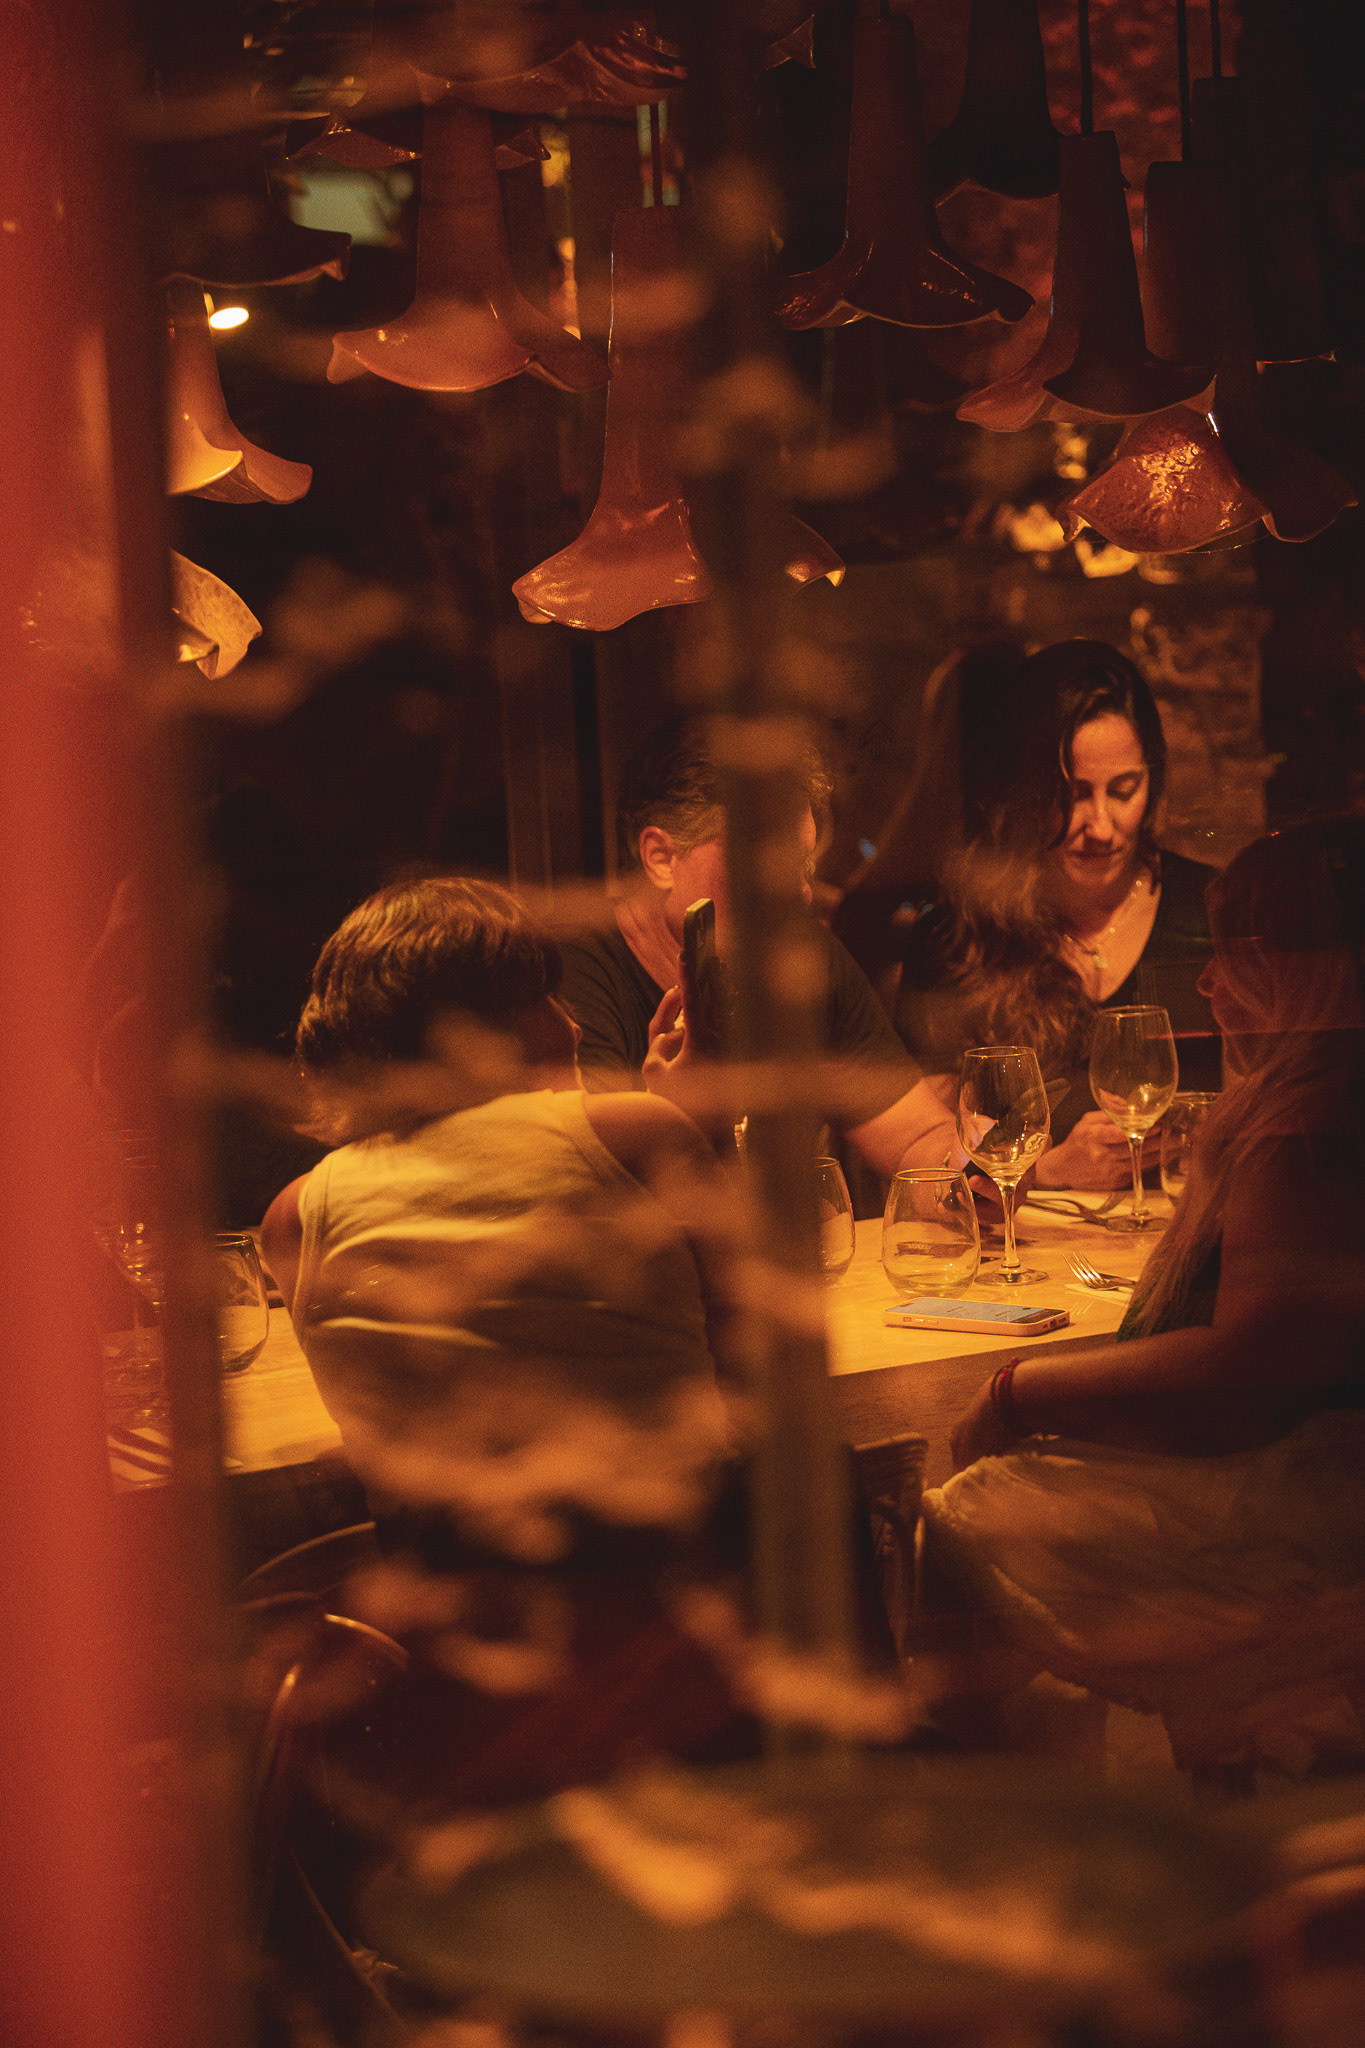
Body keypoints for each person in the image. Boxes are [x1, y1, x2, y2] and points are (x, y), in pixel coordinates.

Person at [917, 818, 1365, 1778]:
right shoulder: (1314, 1105)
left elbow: (1247, 1371)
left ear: (1303, 968)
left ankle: (965, 1794)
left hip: (1296, 1513)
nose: (1204, 984)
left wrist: (1014, 1391)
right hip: (1298, 1486)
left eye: (1231, 957)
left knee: (967, 1510)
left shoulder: (1312, 1126)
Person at [260, 875, 748, 1558]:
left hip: (441, 1594)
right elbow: (759, 1367)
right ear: (474, 1029)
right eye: (543, 998)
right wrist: (706, 1122)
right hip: (671, 1574)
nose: (573, 1026)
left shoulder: (293, 1216)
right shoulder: (640, 1134)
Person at [834, 641, 1220, 1190]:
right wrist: (1050, 1169)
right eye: (1071, 795)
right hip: (1033, 1242)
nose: (1101, 826)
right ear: (1022, 791)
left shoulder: (1212, 912)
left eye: (1124, 790)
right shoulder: (960, 939)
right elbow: (937, 1152)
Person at [557, 715, 960, 1180]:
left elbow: (914, 1137)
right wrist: (677, 1117)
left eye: (803, 865)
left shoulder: (805, 961)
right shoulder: (571, 976)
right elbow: (587, 1194)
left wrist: (981, 1167)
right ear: (662, 858)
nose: (801, 892)